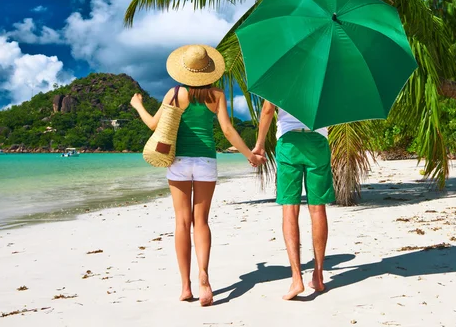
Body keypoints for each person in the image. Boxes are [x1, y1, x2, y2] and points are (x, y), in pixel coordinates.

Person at [130, 44, 265, 307]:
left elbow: (153, 125)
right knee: (200, 221)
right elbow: (227, 130)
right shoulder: (216, 94)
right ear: (208, 71)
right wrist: (249, 155)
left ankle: (185, 287)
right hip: (206, 161)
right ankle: (204, 275)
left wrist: (137, 105)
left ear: (185, 69)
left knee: (182, 222)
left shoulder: (175, 92)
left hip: (178, 161)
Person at [253, 102, 335, 300]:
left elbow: (267, 109)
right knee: (317, 209)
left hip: (289, 142)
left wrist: (260, 144)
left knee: (290, 208)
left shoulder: (281, 73)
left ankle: (296, 278)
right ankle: (318, 274)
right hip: (317, 140)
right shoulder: (324, 74)